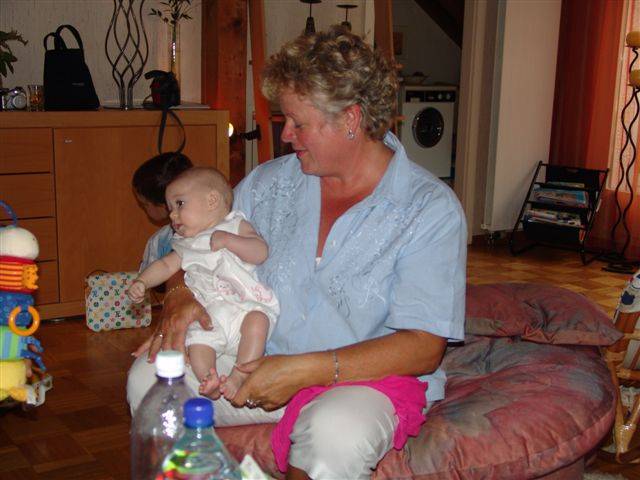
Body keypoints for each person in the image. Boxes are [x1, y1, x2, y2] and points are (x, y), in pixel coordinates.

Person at [127, 25, 466, 480]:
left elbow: (424, 346)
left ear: (351, 119)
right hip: (248, 359)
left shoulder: (427, 209)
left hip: (361, 383)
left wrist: (302, 371)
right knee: (148, 378)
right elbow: (194, 247)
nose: (286, 135)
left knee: (334, 434)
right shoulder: (270, 184)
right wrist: (181, 294)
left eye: (298, 122)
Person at [128, 167, 279, 401]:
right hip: (208, 315)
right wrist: (142, 281)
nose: (172, 215)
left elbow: (260, 252)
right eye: (170, 208)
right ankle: (210, 380)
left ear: (212, 200)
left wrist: (230, 241)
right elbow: (165, 266)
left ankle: (240, 375)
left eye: (179, 204)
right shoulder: (185, 244)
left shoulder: (234, 225)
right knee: (198, 344)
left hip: (243, 308)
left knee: (258, 322)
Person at [132, 152, 193, 272]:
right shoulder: (219, 226)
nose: (144, 209)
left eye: (144, 204)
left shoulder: (159, 241)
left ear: (164, 206)